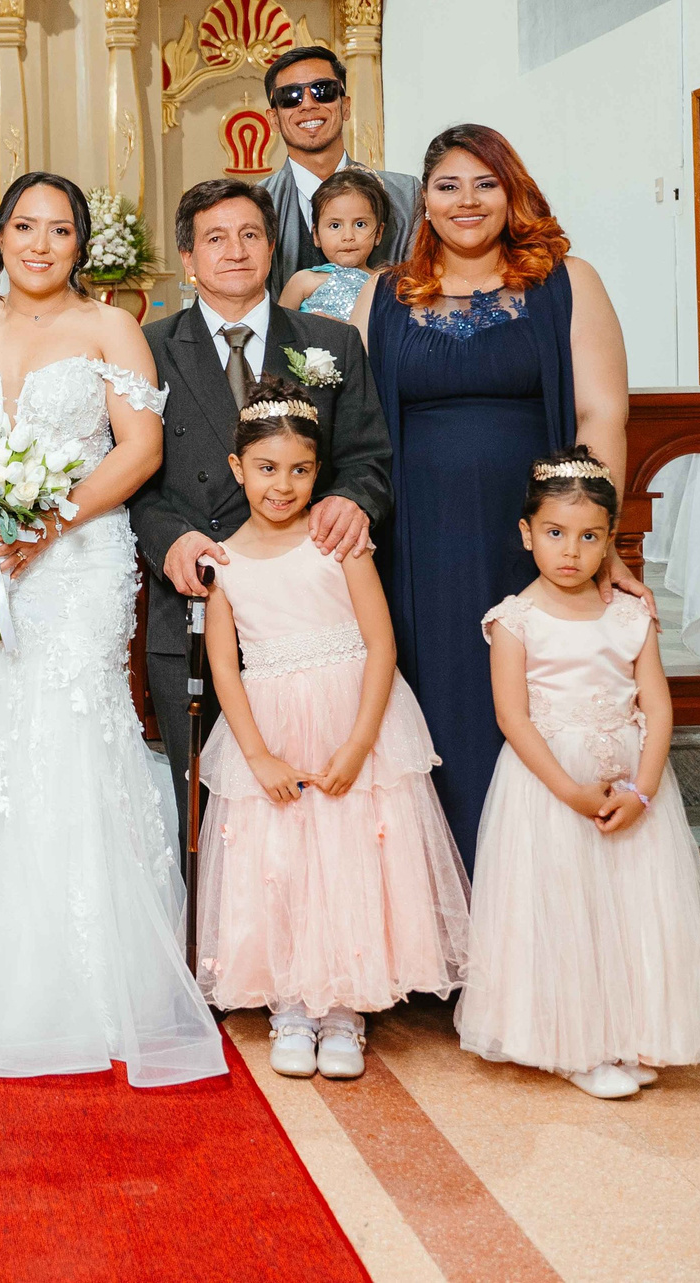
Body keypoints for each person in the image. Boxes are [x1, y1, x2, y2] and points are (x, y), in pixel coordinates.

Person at [0, 172, 225, 1086]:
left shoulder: (109, 328)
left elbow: (139, 448)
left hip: (79, 556)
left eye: (60, 229)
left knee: (71, 726)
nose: (39, 242)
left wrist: (51, 520)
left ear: (82, 243)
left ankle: (91, 975)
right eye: (24, 225)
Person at [352, 123, 641, 863]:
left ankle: (536, 896)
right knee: (434, 706)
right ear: (425, 201)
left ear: (513, 192)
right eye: (448, 185)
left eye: (486, 182)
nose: (467, 200)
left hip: (536, 539)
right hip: (417, 541)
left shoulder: (567, 282)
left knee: (535, 697)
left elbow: (601, 413)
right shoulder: (382, 295)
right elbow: (352, 427)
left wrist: (594, 533)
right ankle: (448, 910)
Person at [194, 376, 469, 1082]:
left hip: (352, 718)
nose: (282, 485)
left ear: (319, 470)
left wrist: (357, 743)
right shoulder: (223, 562)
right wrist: (256, 753)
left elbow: (380, 644)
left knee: (351, 857)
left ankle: (346, 1009)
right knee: (282, 860)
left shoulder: (338, 543)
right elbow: (226, 666)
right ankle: (290, 1003)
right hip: (274, 729)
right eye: (265, 467)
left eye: (300, 469)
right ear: (237, 468)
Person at [454, 450, 700, 1099]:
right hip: (551, 787)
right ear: (527, 533)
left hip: (631, 784)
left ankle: (631, 1028)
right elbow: (512, 716)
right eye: (554, 533)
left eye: (588, 536)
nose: (570, 551)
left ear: (611, 539)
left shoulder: (631, 615)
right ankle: (575, 1043)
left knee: (630, 908)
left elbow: (657, 704)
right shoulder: (514, 618)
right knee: (565, 910)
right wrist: (570, 789)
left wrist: (644, 788)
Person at [129, 177, 391, 842]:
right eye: (214, 238)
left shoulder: (330, 343)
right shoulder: (148, 349)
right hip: (196, 597)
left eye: (250, 234)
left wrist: (346, 501)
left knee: (330, 807)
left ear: (273, 247)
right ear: (187, 258)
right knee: (211, 816)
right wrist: (173, 542)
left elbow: (369, 460)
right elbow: (134, 483)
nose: (235, 250)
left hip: (313, 615)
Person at [255, 45, 421, 302]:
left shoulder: (405, 196)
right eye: (291, 96)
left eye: (323, 91)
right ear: (273, 118)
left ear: (345, 106)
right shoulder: (255, 204)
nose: (308, 104)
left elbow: (422, 292)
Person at [277, 166, 392, 323]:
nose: (348, 237)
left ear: (378, 233)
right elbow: (278, 336)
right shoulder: (302, 281)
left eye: (360, 224)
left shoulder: (386, 286)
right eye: (335, 226)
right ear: (316, 235)